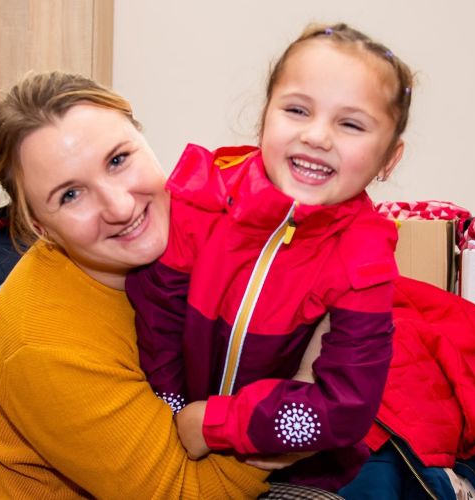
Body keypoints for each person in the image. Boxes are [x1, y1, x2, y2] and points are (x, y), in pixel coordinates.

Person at [126, 22, 414, 491]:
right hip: (167, 424)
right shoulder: (204, 196)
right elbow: (156, 318)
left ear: (389, 159)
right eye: (297, 110)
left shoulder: (365, 256)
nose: (317, 136)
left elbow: (346, 407)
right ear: (265, 117)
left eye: (351, 124)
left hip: (291, 465)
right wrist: (174, 412)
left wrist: (214, 425)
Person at [0, 71, 273, 498]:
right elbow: (184, 493)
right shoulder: (41, 342)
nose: (120, 206)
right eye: (70, 195)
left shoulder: (196, 228)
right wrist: (303, 408)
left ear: (144, 140)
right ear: (42, 229)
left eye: (118, 160)